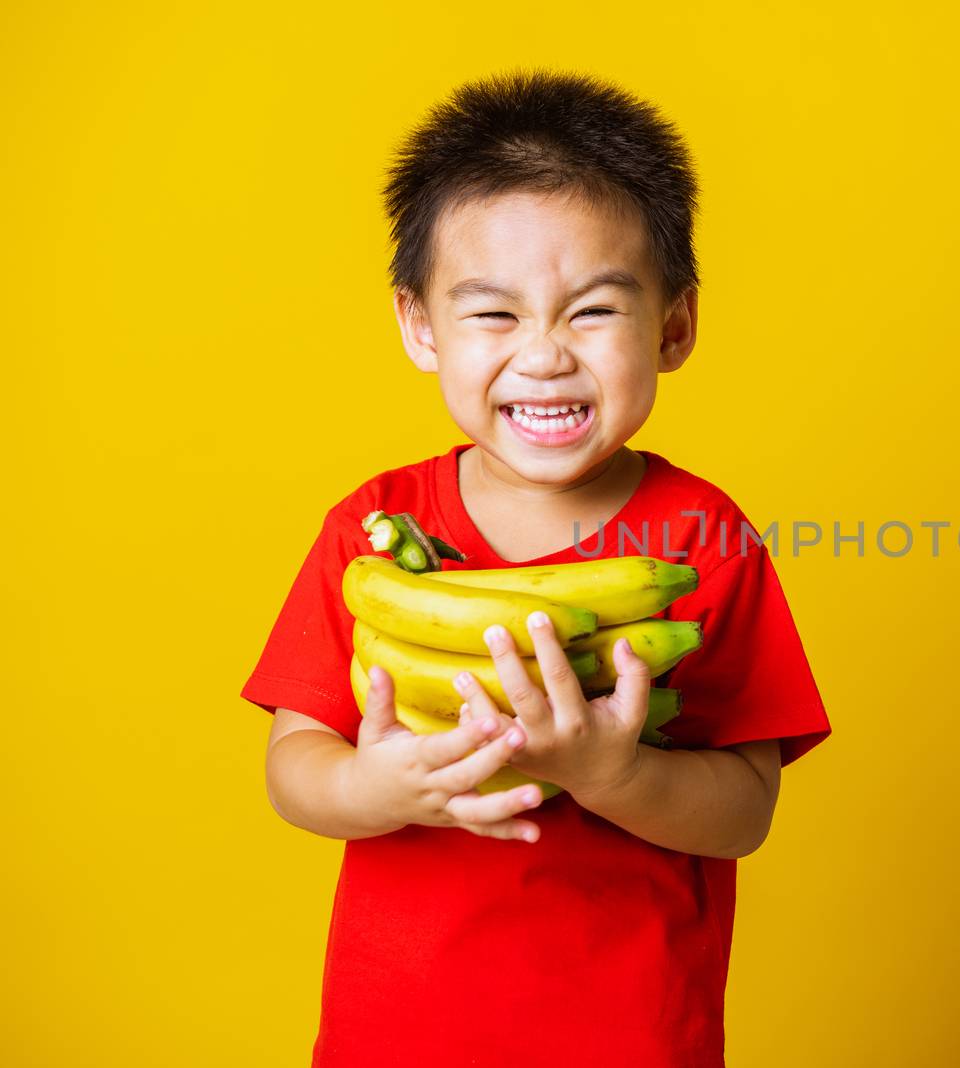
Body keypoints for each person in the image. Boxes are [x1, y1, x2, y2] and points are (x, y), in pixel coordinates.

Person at [240, 68, 832, 1067]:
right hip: (398, 1032)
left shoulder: (700, 538)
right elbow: (294, 767)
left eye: (593, 310)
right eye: (494, 315)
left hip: (631, 1032)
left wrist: (614, 773)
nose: (546, 356)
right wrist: (380, 788)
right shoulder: (375, 530)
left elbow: (743, 812)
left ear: (674, 326)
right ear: (420, 326)